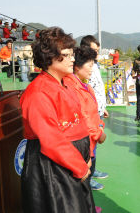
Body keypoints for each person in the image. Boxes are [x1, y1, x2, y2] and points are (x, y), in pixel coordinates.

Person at [20, 27, 95, 213]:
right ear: (49, 58)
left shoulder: (66, 84)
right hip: (54, 169)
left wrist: (87, 156)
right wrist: (80, 167)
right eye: (66, 55)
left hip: (71, 164)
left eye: (72, 54)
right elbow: (51, 139)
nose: (72, 59)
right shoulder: (38, 92)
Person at [63, 46, 106, 213]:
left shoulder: (83, 86)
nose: (92, 70)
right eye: (89, 66)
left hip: (90, 142)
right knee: (81, 180)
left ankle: (87, 206)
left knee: (86, 179)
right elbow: (83, 119)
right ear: (77, 66)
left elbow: (92, 112)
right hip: (85, 143)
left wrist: (100, 127)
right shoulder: (72, 87)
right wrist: (99, 134)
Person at [81, 35, 109, 191]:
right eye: (94, 50)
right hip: (90, 112)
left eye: (98, 50)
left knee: (94, 146)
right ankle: (88, 176)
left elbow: (97, 88)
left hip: (97, 109)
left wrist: (102, 107)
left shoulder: (94, 65)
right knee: (89, 145)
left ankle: (93, 169)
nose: (97, 53)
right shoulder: (84, 67)